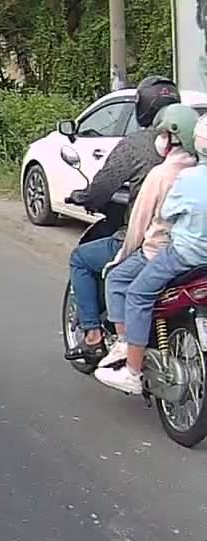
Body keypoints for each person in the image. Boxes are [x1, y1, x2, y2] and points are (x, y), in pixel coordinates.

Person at [63, 75, 180, 363]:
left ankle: (94, 337)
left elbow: (103, 186)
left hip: (151, 240)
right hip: (191, 239)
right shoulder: (193, 151)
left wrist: (84, 197)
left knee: (81, 259)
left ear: (143, 107)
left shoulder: (138, 145)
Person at [95, 112, 207, 393]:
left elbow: (166, 214)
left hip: (183, 255)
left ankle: (132, 370)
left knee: (137, 293)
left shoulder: (183, 178)